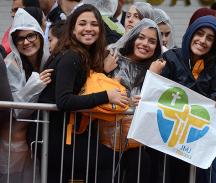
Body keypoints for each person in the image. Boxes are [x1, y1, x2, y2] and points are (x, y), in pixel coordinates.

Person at [38, 4, 128, 182]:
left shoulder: (81, 55)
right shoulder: (71, 56)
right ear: (72, 29)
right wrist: (107, 95)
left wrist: (103, 72)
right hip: (52, 138)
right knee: (109, 160)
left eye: (94, 24)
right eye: (82, 24)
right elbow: (64, 101)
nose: (88, 28)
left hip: (62, 134)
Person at [151, 15, 216, 183]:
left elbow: (214, 91)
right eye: (199, 34)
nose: (203, 41)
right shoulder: (171, 57)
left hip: (191, 140)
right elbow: (158, 92)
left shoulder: (213, 65)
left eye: (210, 38)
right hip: (165, 135)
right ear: (191, 34)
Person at [100, 18, 162, 183]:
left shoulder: (156, 67)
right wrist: (105, 71)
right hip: (105, 144)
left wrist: (153, 76)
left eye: (152, 41)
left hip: (136, 145)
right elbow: (96, 89)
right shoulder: (111, 55)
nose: (145, 44)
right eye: (141, 37)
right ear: (133, 37)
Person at [1, 8, 51, 183]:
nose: (26, 42)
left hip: (35, 147)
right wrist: (36, 83)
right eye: (20, 38)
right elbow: (17, 109)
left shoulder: (47, 60)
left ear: (39, 35)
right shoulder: (10, 65)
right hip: (11, 146)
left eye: (31, 36)